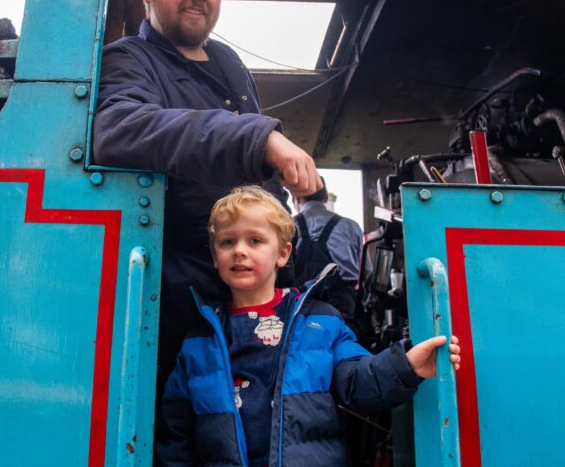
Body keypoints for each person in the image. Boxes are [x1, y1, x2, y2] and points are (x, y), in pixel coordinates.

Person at [92, 0, 321, 387]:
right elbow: (119, 130)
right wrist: (259, 139)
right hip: (185, 307)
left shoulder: (228, 63)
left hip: (254, 301)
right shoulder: (128, 60)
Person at [155, 186, 460, 466]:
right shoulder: (198, 340)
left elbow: (357, 381)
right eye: (227, 242)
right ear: (215, 256)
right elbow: (176, 434)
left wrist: (406, 365)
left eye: (255, 240)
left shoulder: (320, 322)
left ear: (283, 253)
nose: (239, 250)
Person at [293, 176, 363, 318]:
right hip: (341, 314)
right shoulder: (351, 227)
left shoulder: (286, 226)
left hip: (297, 312)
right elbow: (365, 273)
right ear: (325, 198)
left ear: (296, 198)